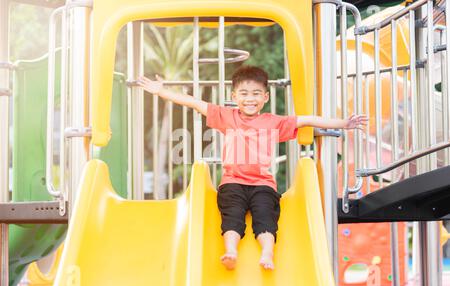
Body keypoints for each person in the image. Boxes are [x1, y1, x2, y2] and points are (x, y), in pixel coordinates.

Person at [137, 65, 368, 271]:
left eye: (256, 94)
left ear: (265, 97)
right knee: (231, 216)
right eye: (244, 94)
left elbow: (307, 120)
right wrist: (161, 91)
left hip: (263, 184)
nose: (250, 99)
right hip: (232, 182)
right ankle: (231, 250)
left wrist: (343, 124)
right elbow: (194, 103)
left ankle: (267, 252)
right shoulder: (226, 116)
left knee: (266, 217)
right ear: (234, 96)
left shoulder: (273, 121)